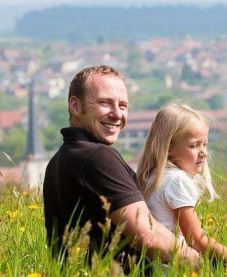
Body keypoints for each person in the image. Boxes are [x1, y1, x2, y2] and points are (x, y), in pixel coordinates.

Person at [43, 65, 199, 274]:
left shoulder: (60, 159)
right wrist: (208, 263)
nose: (117, 114)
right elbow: (148, 236)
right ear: (75, 106)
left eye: (123, 105)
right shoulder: (96, 157)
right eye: (105, 103)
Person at [136, 102, 227, 262]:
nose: (204, 153)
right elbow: (197, 241)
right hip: (173, 266)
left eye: (205, 144)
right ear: (169, 148)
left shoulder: (151, 176)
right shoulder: (177, 180)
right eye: (194, 145)